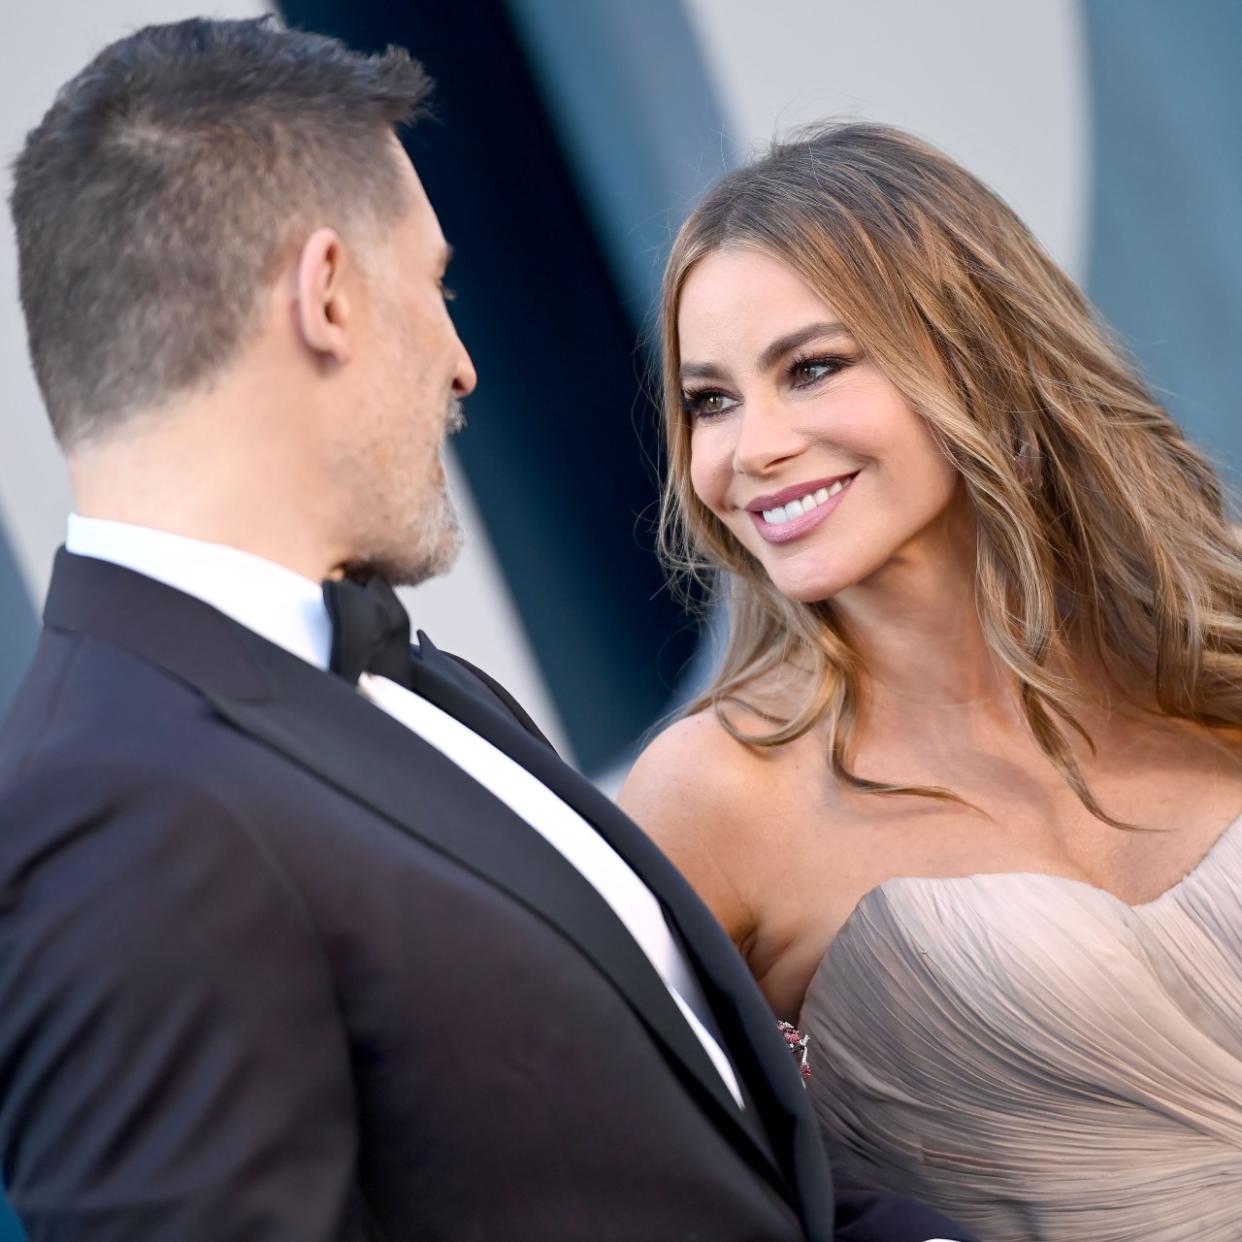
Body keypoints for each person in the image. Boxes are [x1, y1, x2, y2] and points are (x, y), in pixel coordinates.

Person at [0, 20, 974, 1242]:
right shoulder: (115, 816)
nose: (464, 365)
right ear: (329, 297)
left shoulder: (427, 688)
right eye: (435, 286)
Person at [621, 120, 1242, 1242]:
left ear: (981, 368)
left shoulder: (1215, 647)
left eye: (811, 369)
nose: (749, 448)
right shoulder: (719, 795)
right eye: (711, 400)